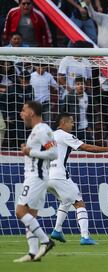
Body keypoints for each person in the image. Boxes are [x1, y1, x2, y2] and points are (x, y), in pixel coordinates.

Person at [49, 113, 108, 245]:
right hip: (59, 175)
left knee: (66, 201)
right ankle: (85, 237)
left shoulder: (49, 136)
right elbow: (86, 147)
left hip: (47, 177)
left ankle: (57, 230)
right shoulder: (64, 135)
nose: (73, 125)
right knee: (79, 203)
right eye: (71, 122)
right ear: (63, 123)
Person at [14, 101, 57, 263]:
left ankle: (46, 241)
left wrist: (30, 151)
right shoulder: (36, 131)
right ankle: (32, 253)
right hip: (36, 176)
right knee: (31, 215)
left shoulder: (42, 130)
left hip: (36, 177)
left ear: (32, 112)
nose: (21, 113)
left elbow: (54, 153)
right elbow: (41, 152)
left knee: (20, 212)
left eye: (24, 110)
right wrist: (29, 150)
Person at [63, 77, 93, 143]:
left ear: (85, 85)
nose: (80, 86)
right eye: (78, 84)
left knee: (91, 145)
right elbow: (63, 112)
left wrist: (90, 125)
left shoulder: (89, 97)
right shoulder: (69, 96)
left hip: (85, 127)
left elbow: (91, 113)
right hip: (73, 128)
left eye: (82, 84)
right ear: (74, 86)